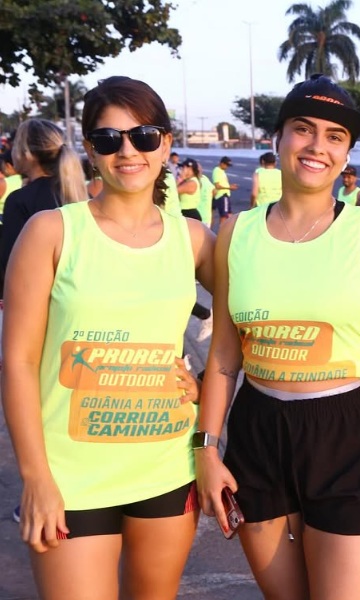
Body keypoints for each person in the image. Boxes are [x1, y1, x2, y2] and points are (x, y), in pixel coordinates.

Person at [195, 74, 360, 600]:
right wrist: (208, 449)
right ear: (279, 137)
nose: (318, 146)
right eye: (303, 129)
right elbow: (224, 354)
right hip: (257, 432)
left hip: (345, 435)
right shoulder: (235, 233)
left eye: (335, 136)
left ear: (348, 152)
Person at [1, 75, 215, 600]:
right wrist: (36, 479)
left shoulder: (192, 239)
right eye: (107, 139)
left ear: (165, 144)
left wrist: (208, 387)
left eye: (143, 136)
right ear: (90, 150)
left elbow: (252, 320)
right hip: (71, 477)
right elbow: (18, 363)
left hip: (166, 468)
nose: (127, 151)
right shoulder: (52, 232)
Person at [0, 119, 87, 294]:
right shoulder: (81, 195)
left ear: (27, 153)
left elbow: (9, 267)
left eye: (16, 143)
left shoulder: (20, 200)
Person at [212, 156, 238, 224]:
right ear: (221, 163)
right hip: (222, 196)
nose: (227, 167)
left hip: (225, 195)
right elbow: (217, 185)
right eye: (226, 165)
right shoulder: (217, 171)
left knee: (229, 215)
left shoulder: (221, 171)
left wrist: (230, 186)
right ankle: (222, 231)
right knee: (224, 216)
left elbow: (222, 183)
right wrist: (229, 188)